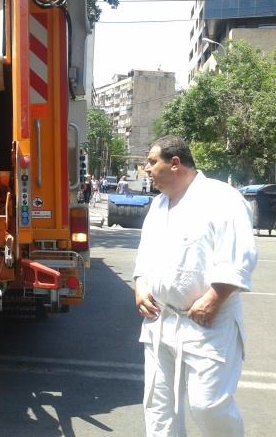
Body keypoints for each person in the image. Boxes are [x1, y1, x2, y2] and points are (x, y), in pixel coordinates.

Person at [133, 135, 257, 437]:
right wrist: (140, 285)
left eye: (152, 162)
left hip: (208, 322)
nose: (147, 169)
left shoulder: (221, 198)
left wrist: (215, 298)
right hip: (161, 319)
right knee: (159, 408)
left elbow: (239, 255)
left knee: (208, 405)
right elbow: (145, 254)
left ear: (175, 163)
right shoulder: (158, 205)